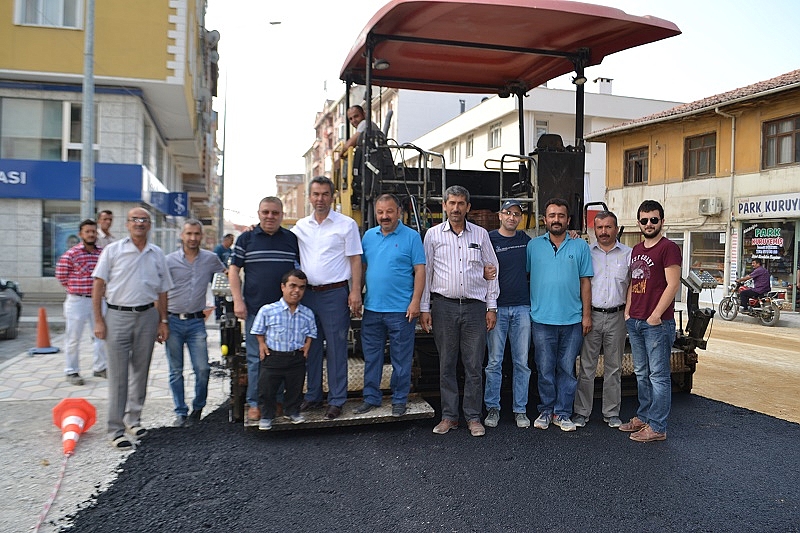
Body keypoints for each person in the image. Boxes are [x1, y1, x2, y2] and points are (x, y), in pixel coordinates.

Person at [420, 185, 499, 437]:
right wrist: (425, 307)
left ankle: (473, 417)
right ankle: (449, 417)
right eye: (451, 203)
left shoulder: (480, 234)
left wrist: (491, 306)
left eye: (460, 203)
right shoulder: (433, 235)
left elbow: (492, 269)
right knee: (447, 364)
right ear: (444, 206)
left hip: (475, 308)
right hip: (444, 307)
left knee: (474, 365)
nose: (456, 208)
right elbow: (427, 272)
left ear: (468, 207)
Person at [92, 207, 173, 449]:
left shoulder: (157, 253)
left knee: (141, 371)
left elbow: (163, 291)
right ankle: (115, 429)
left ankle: (134, 420)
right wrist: (98, 320)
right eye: (134, 219)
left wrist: (163, 320)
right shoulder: (113, 250)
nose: (139, 223)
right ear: (127, 224)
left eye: (144, 220)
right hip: (117, 316)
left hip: (147, 316)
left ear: (149, 225)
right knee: (118, 375)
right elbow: (98, 284)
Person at [292, 176, 363, 420]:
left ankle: (336, 400)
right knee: (310, 348)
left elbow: (355, 259)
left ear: (332, 197)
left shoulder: (346, 224)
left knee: (336, 348)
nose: (320, 199)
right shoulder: (301, 226)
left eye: (324, 194)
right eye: (316, 194)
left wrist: (355, 291)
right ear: (309, 197)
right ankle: (312, 395)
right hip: (308, 296)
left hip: (335, 294)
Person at [228, 197, 300, 422]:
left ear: (282, 215)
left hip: (285, 313)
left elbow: (299, 272)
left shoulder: (291, 239)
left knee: (281, 358)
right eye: (266, 212)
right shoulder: (246, 238)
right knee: (256, 358)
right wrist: (238, 301)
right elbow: (233, 270)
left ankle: (276, 401)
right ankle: (255, 403)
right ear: (259, 213)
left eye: (275, 213)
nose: (270, 216)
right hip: (255, 310)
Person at [356, 194, 426, 418]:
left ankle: (399, 399)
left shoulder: (411, 237)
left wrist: (416, 301)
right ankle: (371, 398)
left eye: (389, 211)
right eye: (380, 212)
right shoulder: (368, 236)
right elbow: (362, 268)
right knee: (372, 357)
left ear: (399, 212)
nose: (384, 216)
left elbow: (420, 270)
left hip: (401, 310)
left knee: (401, 359)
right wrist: (356, 293)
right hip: (372, 309)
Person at [527, 198, 593, 432]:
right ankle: (546, 410)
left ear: (568, 220)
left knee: (566, 369)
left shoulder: (580, 246)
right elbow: (526, 276)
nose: (556, 219)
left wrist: (586, 316)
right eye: (552, 215)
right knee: (544, 369)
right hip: (541, 320)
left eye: (561, 216)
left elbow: (585, 282)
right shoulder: (533, 246)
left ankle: (562, 413)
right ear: (545, 219)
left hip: (572, 320)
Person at [621, 200, 681, 443]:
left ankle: (657, 426)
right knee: (642, 373)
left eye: (654, 220)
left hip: (657, 324)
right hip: (635, 320)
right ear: (638, 223)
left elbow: (673, 284)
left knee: (658, 376)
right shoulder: (636, 249)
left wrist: (655, 315)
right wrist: (628, 311)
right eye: (644, 220)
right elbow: (634, 282)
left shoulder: (669, 248)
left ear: (662, 222)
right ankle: (644, 416)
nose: (649, 224)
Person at [572, 211, 631, 429]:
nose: (604, 231)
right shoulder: (586, 252)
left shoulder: (628, 254)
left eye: (608, 227)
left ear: (616, 228)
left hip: (618, 316)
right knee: (586, 367)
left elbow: (632, 286)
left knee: (614, 368)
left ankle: (611, 413)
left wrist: (628, 313)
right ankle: (581, 412)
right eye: (599, 227)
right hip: (591, 316)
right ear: (594, 230)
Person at [164, 220, 226, 428]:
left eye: (196, 234)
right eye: (189, 233)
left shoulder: (210, 259)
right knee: (175, 370)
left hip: (196, 323)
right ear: (182, 235)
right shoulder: (169, 261)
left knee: (202, 368)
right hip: (172, 320)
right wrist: (160, 321)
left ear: (201, 236)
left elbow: (226, 275)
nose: (192, 238)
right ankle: (180, 412)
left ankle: (198, 408)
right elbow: (159, 291)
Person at [483, 200, 532, 429]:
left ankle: (520, 410)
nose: (512, 217)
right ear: (500, 215)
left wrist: (571, 234)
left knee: (522, 362)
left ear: (520, 218)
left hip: (522, 308)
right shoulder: (489, 239)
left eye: (516, 214)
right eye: (508, 213)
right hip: (497, 308)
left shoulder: (526, 241)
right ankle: (493, 408)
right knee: (494, 362)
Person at [250, 269, 317, 430]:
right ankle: (267, 416)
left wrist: (307, 345)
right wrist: (262, 344)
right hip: (273, 357)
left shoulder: (307, 313)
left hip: (296, 357)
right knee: (267, 389)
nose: (296, 291)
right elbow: (258, 330)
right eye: (292, 286)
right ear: (283, 287)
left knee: (295, 388)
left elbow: (311, 332)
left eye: (301, 287)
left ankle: (292, 412)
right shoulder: (268, 310)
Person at [55, 219, 107, 386]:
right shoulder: (71, 254)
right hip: (77, 300)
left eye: (93, 231)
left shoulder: (103, 253)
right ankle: (72, 370)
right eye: (87, 232)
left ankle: (100, 367)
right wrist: (75, 288)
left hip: (99, 301)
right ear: (80, 234)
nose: (91, 234)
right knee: (73, 337)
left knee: (101, 335)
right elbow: (61, 276)